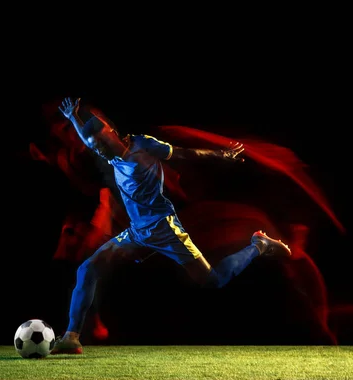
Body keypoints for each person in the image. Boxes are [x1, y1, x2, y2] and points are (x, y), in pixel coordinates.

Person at [51, 97, 292, 354]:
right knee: (87, 269)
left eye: (99, 143)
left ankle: (259, 245)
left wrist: (219, 155)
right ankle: (71, 338)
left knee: (211, 280)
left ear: (111, 132)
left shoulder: (142, 145)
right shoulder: (111, 156)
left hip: (165, 229)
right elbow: (90, 139)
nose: (96, 149)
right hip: (137, 232)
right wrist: (73, 118)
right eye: (93, 146)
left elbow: (182, 153)